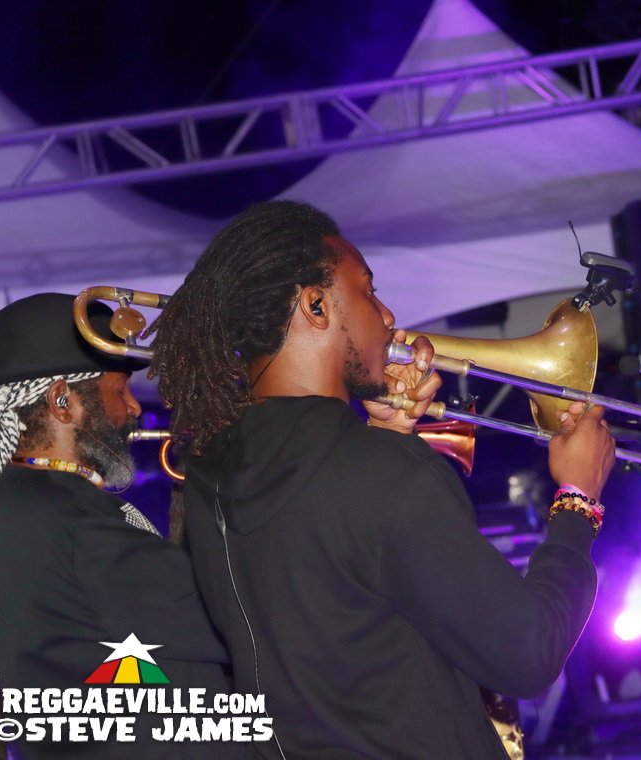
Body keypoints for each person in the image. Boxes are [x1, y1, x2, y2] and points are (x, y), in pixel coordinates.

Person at [146, 200, 616, 759]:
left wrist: (386, 438)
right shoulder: (387, 474)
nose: (388, 315)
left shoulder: (207, 478)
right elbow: (528, 655)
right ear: (315, 305)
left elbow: (345, 630)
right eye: (368, 291)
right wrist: (577, 501)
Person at [0, 293, 249, 760]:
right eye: (118, 389)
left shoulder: (42, 500)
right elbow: (234, 617)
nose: (133, 408)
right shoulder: (58, 510)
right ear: (62, 400)